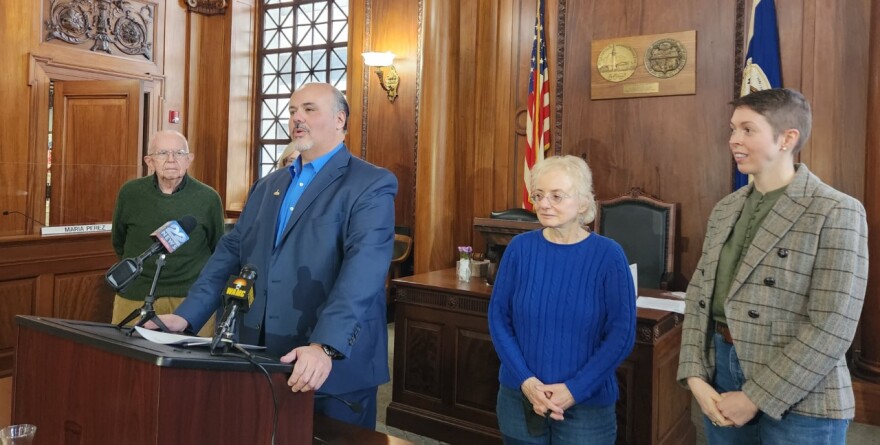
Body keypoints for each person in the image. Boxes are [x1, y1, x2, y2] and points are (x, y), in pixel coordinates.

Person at [149, 82, 398, 429]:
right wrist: (187, 316)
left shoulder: (370, 183)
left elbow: (364, 272)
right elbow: (231, 253)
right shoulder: (268, 185)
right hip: (259, 354)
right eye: (293, 110)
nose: (297, 118)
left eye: (309, 109)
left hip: (330, 360)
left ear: (340, 119)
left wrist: (324, 346)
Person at [677, 88, 868, 444]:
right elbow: (698, 295)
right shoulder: (726, 209)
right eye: (733, 129)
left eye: (748, 130)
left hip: (802, 391)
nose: (734, 139)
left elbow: (833, 325)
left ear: (787, 138)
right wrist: (694, 375)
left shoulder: (836, 210)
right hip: (722, 374)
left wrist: (756, 396)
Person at [488, 155, 636, 445]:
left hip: (587, 403)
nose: (544, 204)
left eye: (556, 196)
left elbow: (622, 334)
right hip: (521, 395)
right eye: (539, 195)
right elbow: (499, 319)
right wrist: (527, 382)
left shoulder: (609, 255)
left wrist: (574, 390)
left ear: (582, 203)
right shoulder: (519, 249)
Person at [111, 130, 224, 337]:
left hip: (190, 300)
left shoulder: (208, 198)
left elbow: (218, 248)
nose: (171, 160)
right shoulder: (130, 193)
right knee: (127, 359)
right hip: (136, 293)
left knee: (190, 365)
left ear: (189, 160)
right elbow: (118, 241)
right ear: (149, 161)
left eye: (179, 153)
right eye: (163, 153)